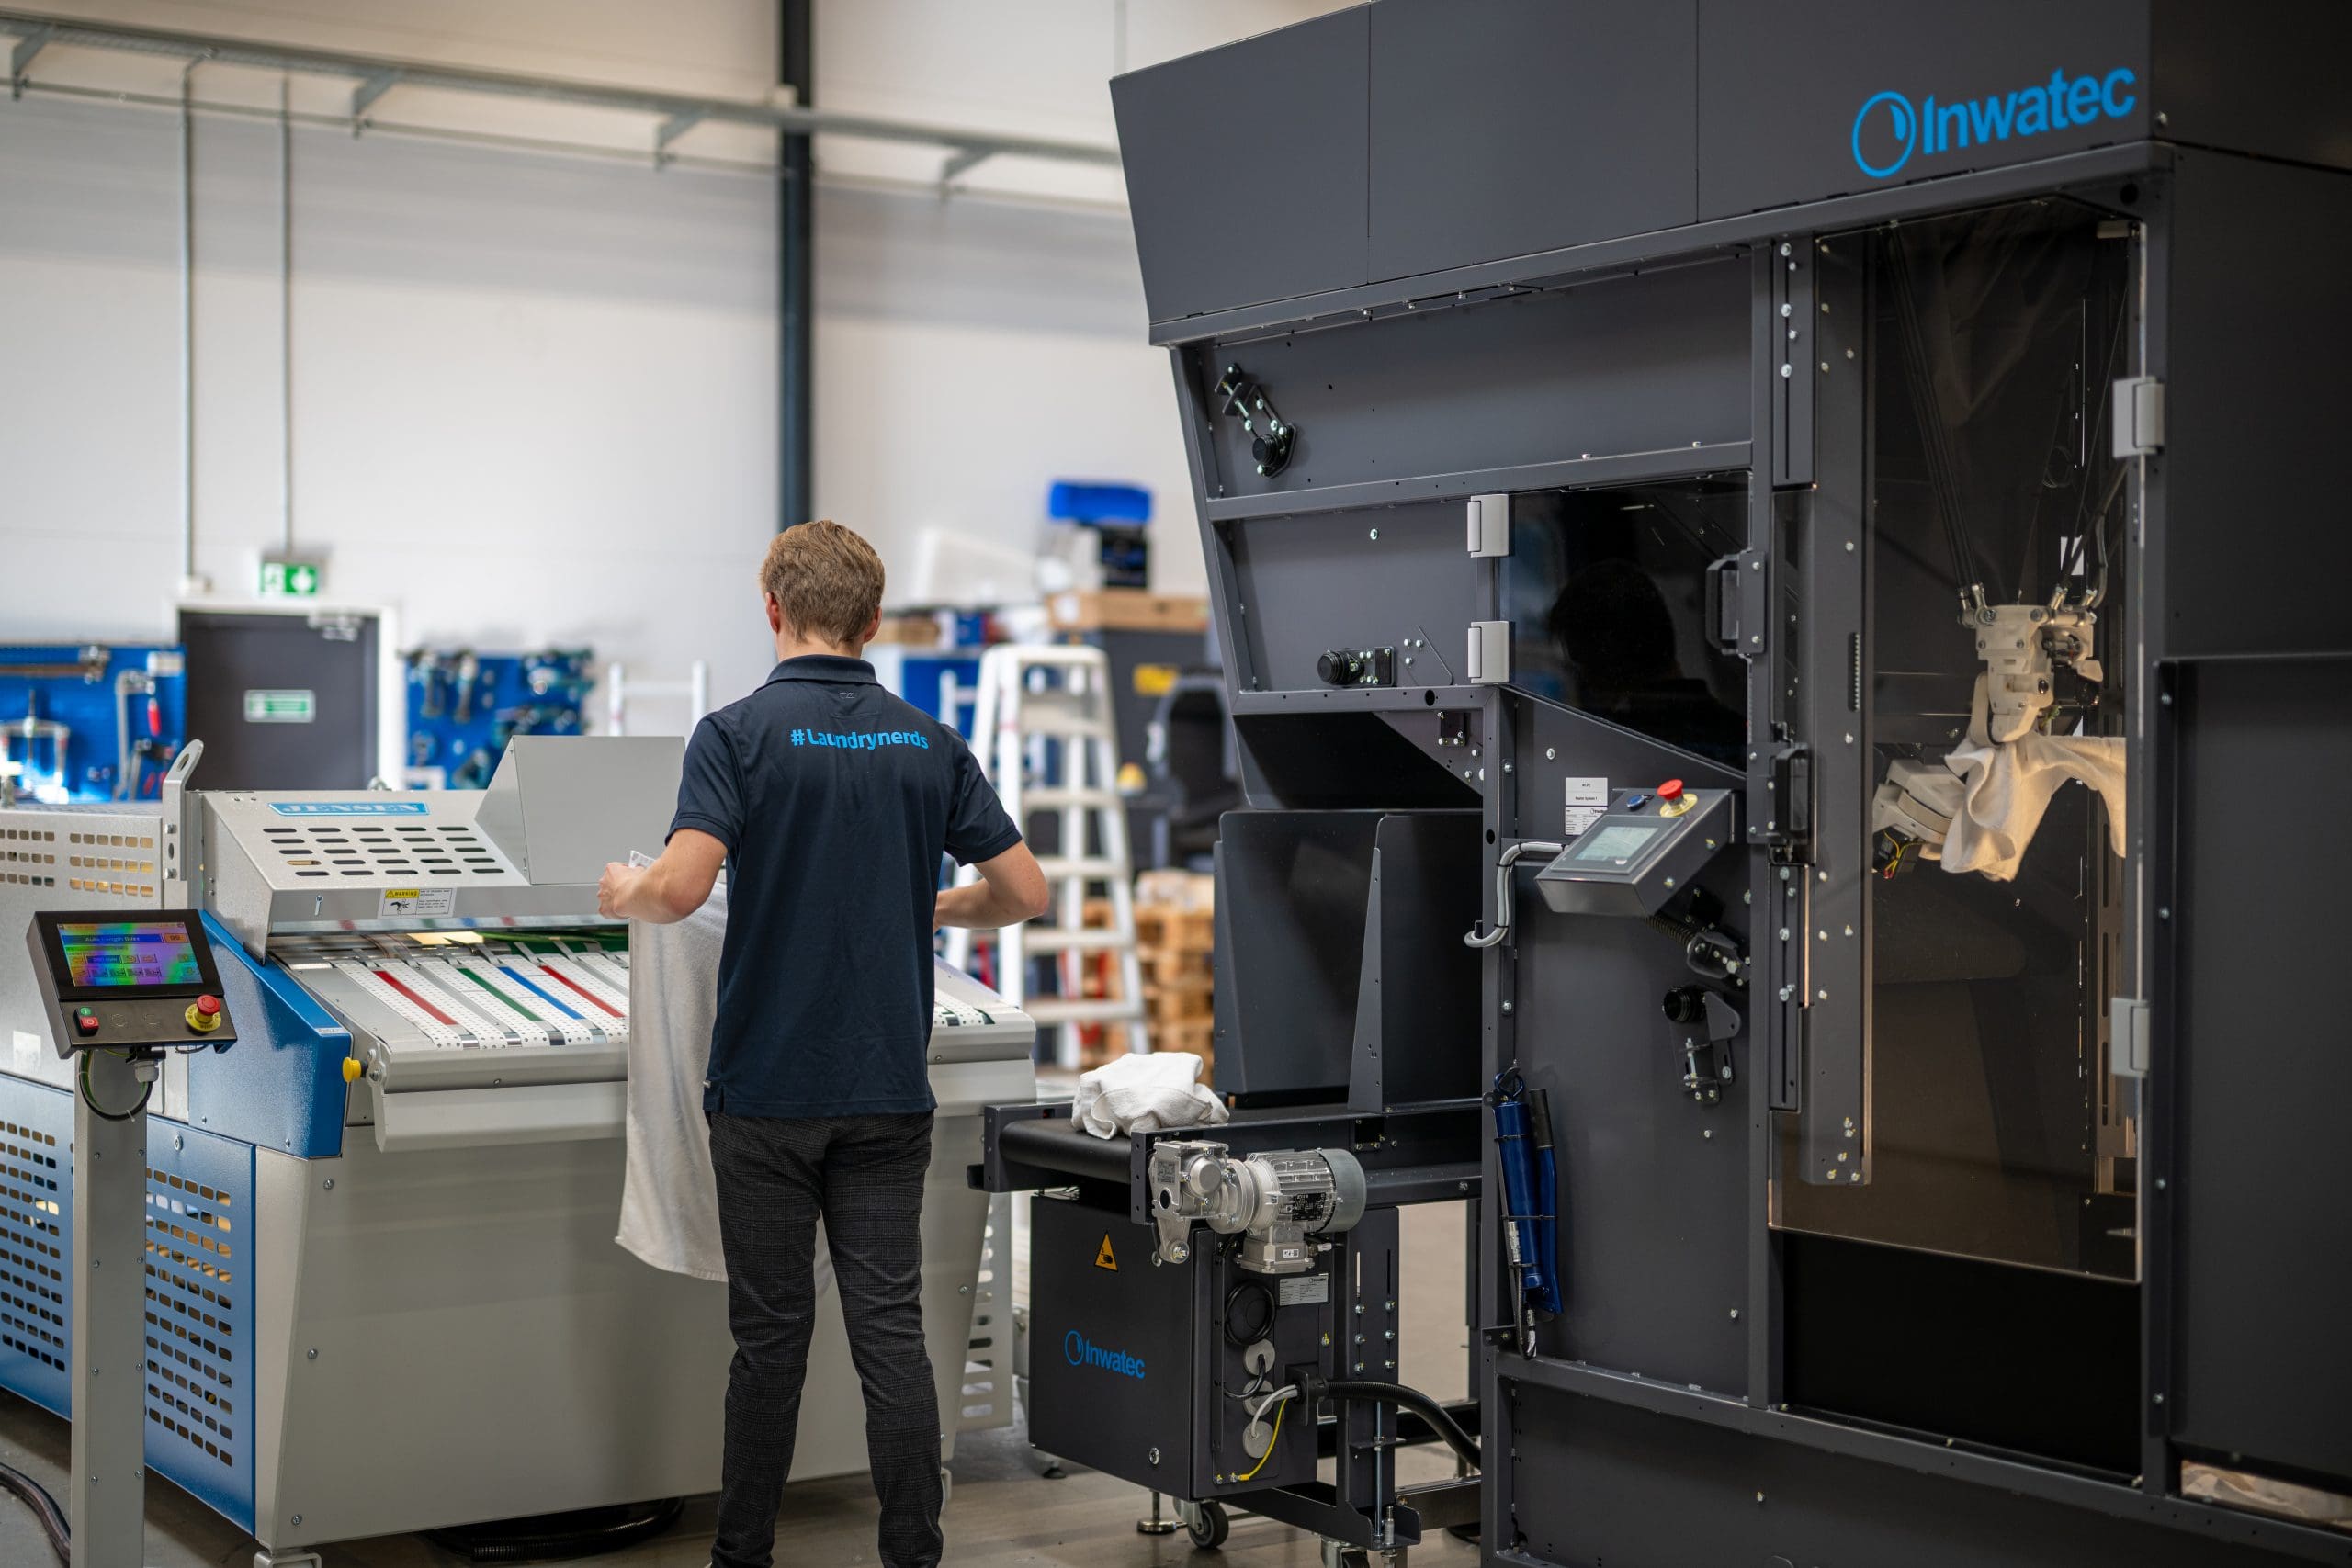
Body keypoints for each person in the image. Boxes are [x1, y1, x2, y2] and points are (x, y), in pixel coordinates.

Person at [598, 520, 1049, 1568]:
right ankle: (912, 1554)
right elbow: (1025, 891)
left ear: (772, 609)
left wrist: (625, 887)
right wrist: (937, 909)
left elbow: (680, 888)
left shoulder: (736, 734)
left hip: (765, 1091)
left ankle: (743, 1555)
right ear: (874, 620)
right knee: (891, 1333)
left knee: (770, 1345)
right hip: (888, 1091)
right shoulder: (928, 743)